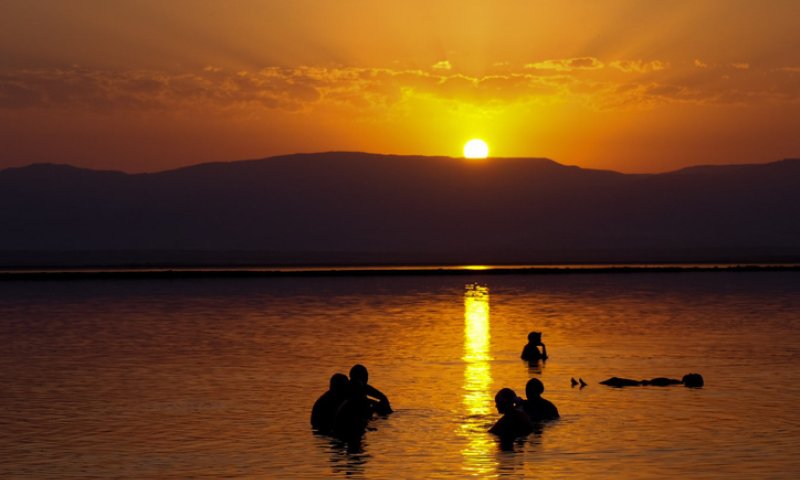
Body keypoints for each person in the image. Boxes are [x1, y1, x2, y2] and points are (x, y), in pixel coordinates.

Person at [600, 373, 704, 388]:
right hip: (644, 383)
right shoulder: (677, 383)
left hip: (644, 384)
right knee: (617, 381)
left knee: (617, 381)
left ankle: (615, 382)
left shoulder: (677, 383)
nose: (688, 374)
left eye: (691, 375)